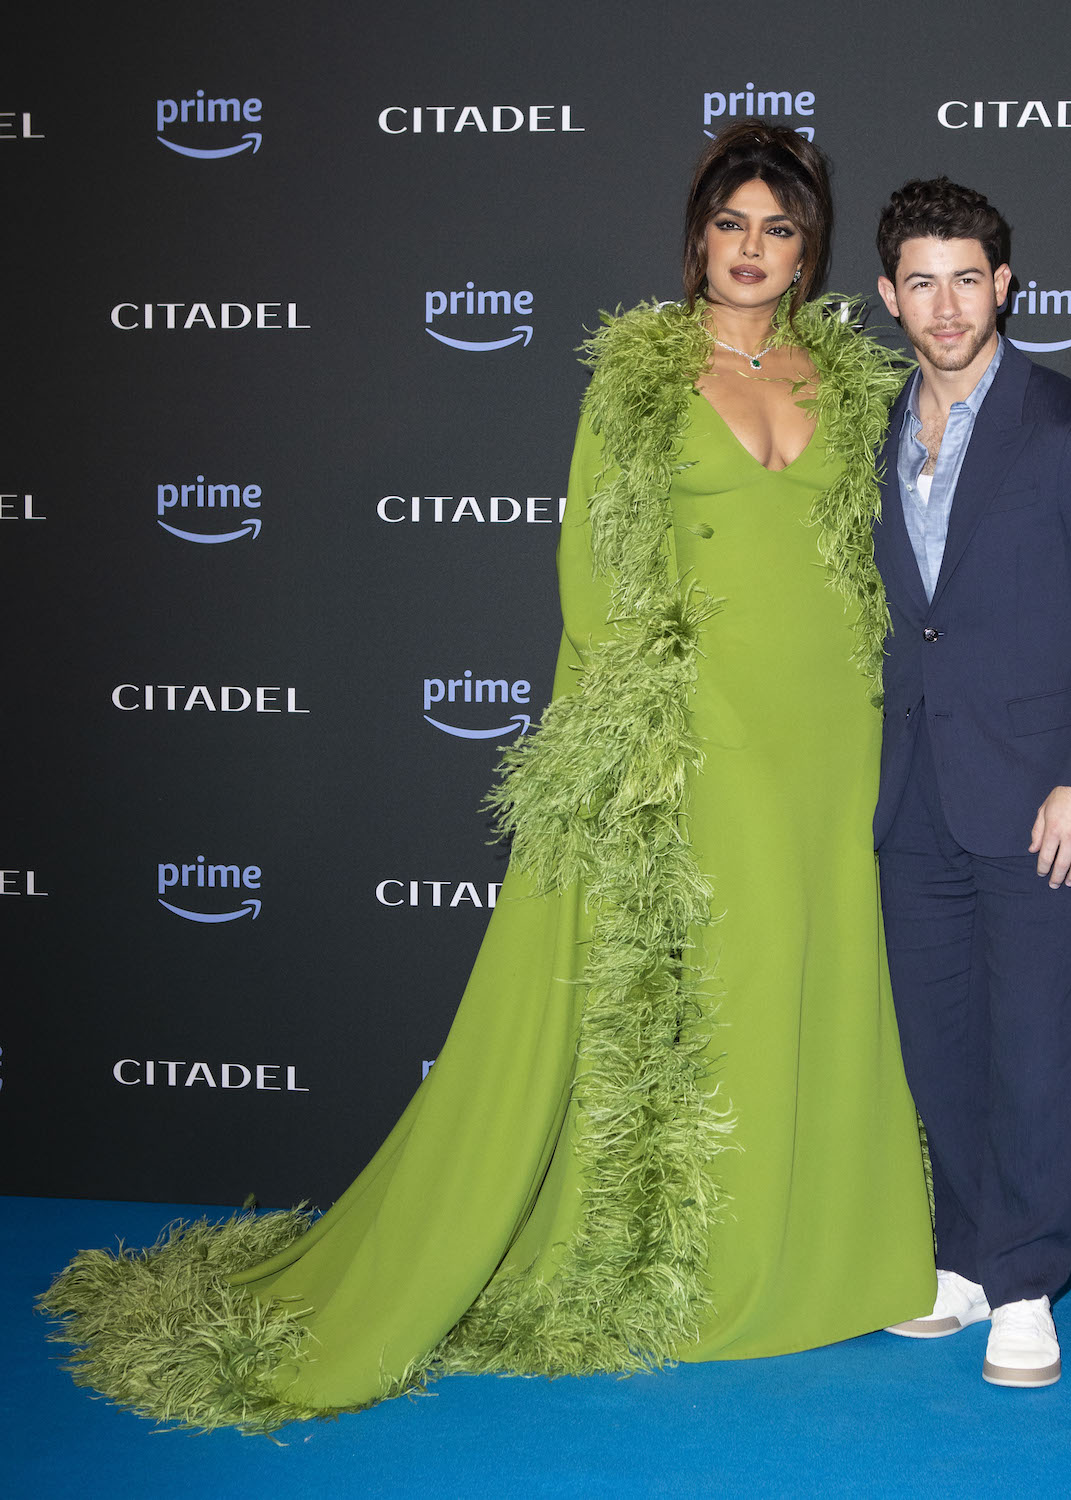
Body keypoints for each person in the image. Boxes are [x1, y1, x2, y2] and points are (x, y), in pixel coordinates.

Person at [41, 123, 934, 1433]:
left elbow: (875, 553)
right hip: (699, 721)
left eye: (778, 229)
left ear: (809, 253)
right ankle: (699, 1264)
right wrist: (643, 729)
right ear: (697, 238)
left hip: (830, 723)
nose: (752, 249)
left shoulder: (847, 380)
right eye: (732, 223)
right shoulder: (640, 373)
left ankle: (831, 1254)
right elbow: (593, 569)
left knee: (820, 964)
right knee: (715, 981)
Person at [871, 178, 1071, 1387]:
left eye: (966, 279)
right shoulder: (876, 433)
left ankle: (1028, 1282)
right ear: (890, 295)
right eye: (921, 283)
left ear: (1003, 285)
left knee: (1033, 1051)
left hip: (1043, 800)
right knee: (940, 1048)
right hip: (914, 795)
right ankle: (963, 1260)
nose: (946, 306)